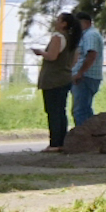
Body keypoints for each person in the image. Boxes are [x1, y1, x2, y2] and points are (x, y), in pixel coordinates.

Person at [35, 12, 81, 152]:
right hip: (65, 77)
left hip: (53, 79)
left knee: (53, 111)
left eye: (58, 20)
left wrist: (41, 52)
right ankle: (61, 141)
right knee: (61, 111)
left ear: (64, 24)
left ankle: (54, 143)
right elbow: (75, 59)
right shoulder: (72, 39)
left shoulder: (58, 37)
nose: (55, 22)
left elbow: (52, 56)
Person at [71, 9, 104, 128]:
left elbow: (92, 54)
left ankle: (83, 138)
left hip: (86, 77)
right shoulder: (87, 35)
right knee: (85, 109)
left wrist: (80, 72)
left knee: (80, 111)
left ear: (85, 23)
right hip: (86, 76)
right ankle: (91, 136)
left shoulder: (90, 35)